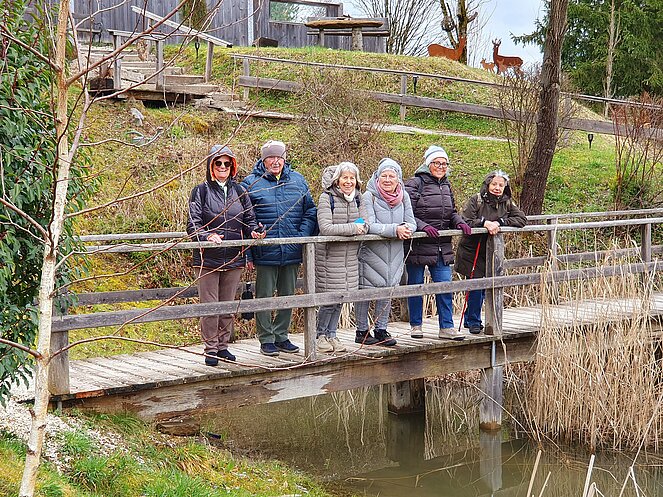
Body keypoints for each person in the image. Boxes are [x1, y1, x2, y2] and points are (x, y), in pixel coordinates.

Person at [187, 145, 265, 366]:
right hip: (207, 259)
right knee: (210, 308)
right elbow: (192, 224)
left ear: (232, 167)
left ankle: (223, 347)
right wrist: (207, 236)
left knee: (228, 306)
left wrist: (255, 231)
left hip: (233, 257)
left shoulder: (240, 191)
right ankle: (211, 349)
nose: (223, 167)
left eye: (227, 163)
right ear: (211, 165)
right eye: (218, 163)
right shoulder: (200, 191)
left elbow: (249, 220)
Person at [241, 140, 317, 357]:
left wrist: (301, 237)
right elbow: (244, 220)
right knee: (264, 295)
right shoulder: (250, 183)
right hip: (265, 250)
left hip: (292, 249)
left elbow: (310, 211)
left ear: (284, 159)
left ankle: (281, 335)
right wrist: (248, 253)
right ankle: (266, 338)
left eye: (279, 157)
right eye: (271, 158)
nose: (276, 161)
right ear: (263, 160)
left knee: (288, 294)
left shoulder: (298, 180)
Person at [404, 145, 472, 341]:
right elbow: (406, 213)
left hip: (441, 246)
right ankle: (416, 325)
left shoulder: (446, 185)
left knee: (445, 286)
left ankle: (447, 327)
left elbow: (451, 212)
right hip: (418, 245)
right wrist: (423, 226)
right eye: (437, 163)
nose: (441, 167)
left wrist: (459, 221)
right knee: (416, 287)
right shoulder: (415, 184)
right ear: (428, 164)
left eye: (444, 164)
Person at [455, 169, 527, 334]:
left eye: (501, 185)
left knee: (486, 286)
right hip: (472, 249)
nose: (497, 188)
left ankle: (472, 318)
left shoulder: (507, 203)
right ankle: (474, 321)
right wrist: (484, 223)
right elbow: (465, 220)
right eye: (494, 184)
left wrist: (501, 222)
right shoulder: (476, 200)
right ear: (488, 184)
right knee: (476, 285)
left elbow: (521, 219)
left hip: (492, 251)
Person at [355, 158, 416, 347]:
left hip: (395, 253)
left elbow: (412, 221)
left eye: (392, 176)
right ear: (377, 177)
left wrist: (407, 229)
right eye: (384, 175)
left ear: (398, 179)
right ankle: (362, 331)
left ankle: (381, 329)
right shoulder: (369, 196)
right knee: (366, 290)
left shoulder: (404, 196)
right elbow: (369, 225)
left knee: (388, 289)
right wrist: (395, 230)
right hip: (372, 252)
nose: (388, 180)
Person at [315, 162, 368, 353]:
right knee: (329, 299)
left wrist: (358, 226)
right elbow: (326, 228)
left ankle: (332, 334)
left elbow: (365, 223)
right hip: (329, 257)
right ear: (337, 180)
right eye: (345, 177)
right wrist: (353, 228)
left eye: (352, 178)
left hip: (350, 257)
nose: (348, 181)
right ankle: (320, 336)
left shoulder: (359, 198)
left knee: (340, 299)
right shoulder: (326, 198)